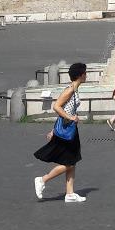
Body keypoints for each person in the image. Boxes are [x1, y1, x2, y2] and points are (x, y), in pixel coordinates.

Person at [33, 62, 88, 201]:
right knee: (69, 163)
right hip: (67, 131)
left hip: (70, 129)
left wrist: (54, 128)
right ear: (80, 75)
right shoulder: (70, 90)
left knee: (73, 161)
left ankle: (70, 194)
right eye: (85, 73)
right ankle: (42, 179)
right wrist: (71, 117)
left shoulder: (74, 89)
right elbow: (56, 106)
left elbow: (65, 109)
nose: (86, 75)